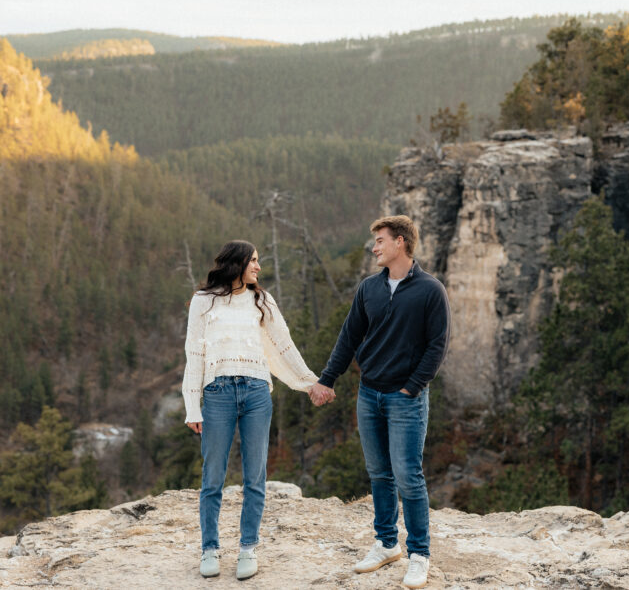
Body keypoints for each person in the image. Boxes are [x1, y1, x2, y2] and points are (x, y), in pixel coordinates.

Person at [309, 215, 450, 589]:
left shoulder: (430, 290)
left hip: (405, 397)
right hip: (368, 394)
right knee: (379, 473)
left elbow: (437, 346)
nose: (374, 248)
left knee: (408, 475)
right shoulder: (368, 288)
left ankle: (419, 553)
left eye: (380, 241)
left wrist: (412, 387)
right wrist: (327, 379)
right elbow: (349, 337)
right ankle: (387, 544)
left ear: (401, 242)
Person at [182, 240, 323, 580]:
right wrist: (192, 406)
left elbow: (283, 345)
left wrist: (310, 382)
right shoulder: (203, 301)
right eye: (254, 261)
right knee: (212, 475)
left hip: (257, 391)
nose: (259, 267)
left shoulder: (262, 300)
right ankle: (210, 549)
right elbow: (194, 354)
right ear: (237, 263)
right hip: (217, 394)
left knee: (255, 477)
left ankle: (248, 548)